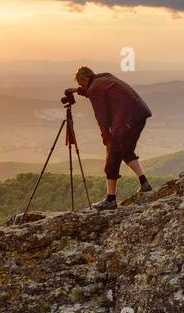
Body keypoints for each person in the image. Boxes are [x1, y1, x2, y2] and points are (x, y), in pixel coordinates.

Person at [66, 67, 154, 210]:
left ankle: (110, 199)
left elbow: (101, 117)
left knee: (113, 154)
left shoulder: (94, 88)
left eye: (81, 84)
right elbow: (100, 91)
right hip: (139, 114)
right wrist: (79, 91)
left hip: (127, 119)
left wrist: (106, 136)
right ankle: (144, 183)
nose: (82, 87)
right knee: (126, 150)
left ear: (85, 79)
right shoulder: (105, 77)